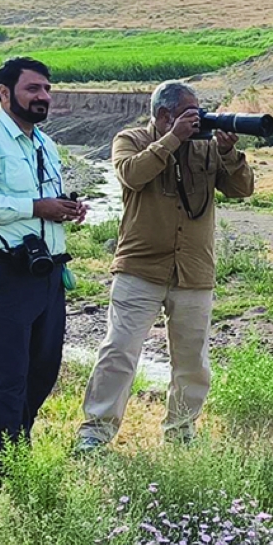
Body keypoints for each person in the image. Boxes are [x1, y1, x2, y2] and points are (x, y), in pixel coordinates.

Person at [77, 80, 255, 452]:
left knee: (192, 361)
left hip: (193, 270)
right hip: (139, 267)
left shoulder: (205, 147)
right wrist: (173, 139)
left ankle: (181, 431)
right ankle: (95, 432)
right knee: (119, 351)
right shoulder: (131, 139)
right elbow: (131, 174)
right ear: (164, 115)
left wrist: (227, 153)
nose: (198, 120)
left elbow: (242, 190)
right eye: (190, 113)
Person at [0, 56, 87, 478]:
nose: (43, 97)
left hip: (45, 272)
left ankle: (17, 443)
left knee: (44, 369)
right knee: (8, 376)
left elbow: (45, 201)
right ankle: (9, 468)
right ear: (4, 93)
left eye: (47, 89)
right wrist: (35, 207)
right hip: (1, 271)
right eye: (33, 89)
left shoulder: (45, 143)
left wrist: (66, 207)